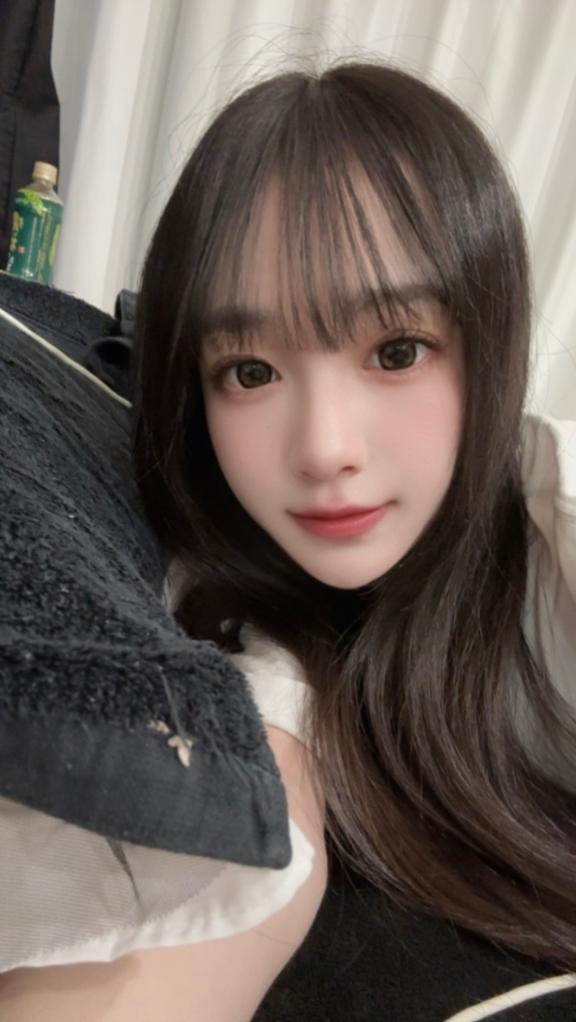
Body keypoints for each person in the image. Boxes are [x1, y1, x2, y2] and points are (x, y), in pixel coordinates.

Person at [2, 59, 575, 1019]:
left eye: (396, 351)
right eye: (250, 371)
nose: (323, 449)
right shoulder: (250, 654)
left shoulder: (551, 527)